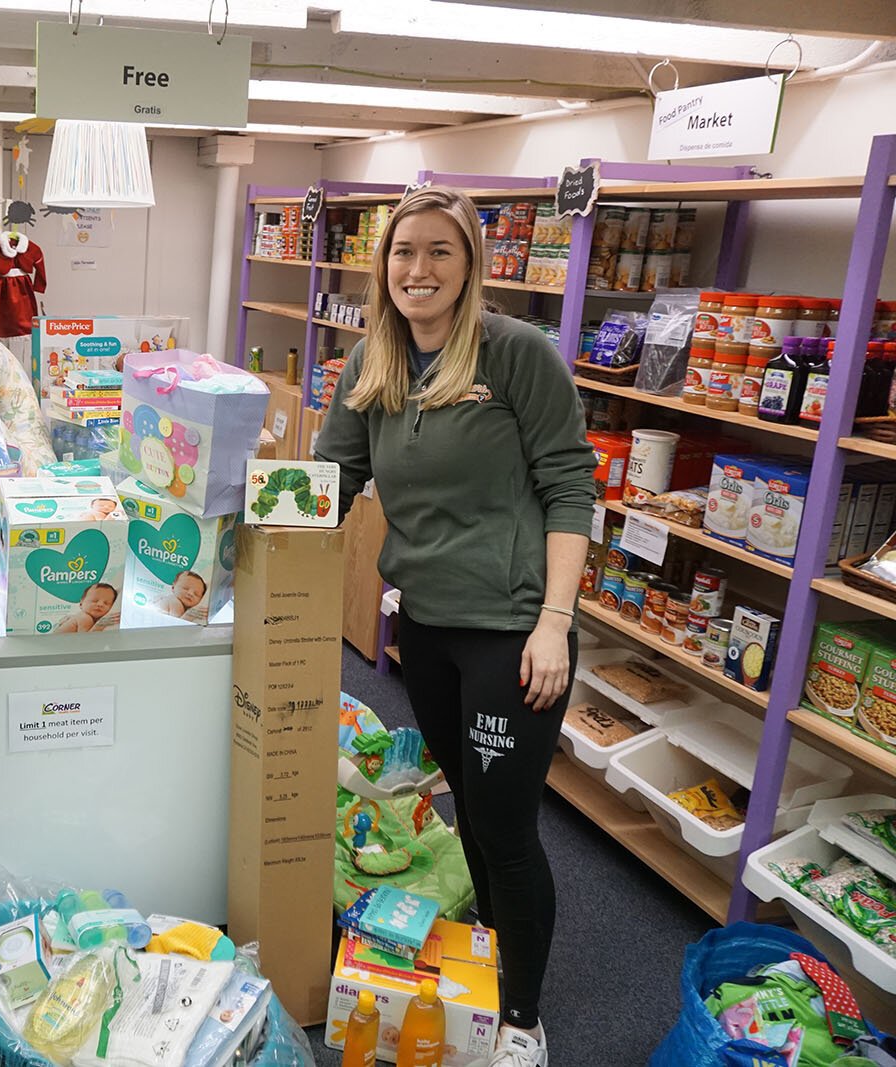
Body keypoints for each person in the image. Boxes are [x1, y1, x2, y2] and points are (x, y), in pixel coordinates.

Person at [314, 186, 594, 1067]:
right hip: (426, 628)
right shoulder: (374, 362)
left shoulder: (516, 353)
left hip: (513, 633)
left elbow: (570, 487)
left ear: (471, 264)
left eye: (440, 250)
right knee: (469, 811)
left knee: (505, 830)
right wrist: (244, 530)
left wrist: (554, 622)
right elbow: (329, 480)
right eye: (404, 252)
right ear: (382, 265)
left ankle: (524, 1020)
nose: (419, 268)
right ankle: (492, 957)